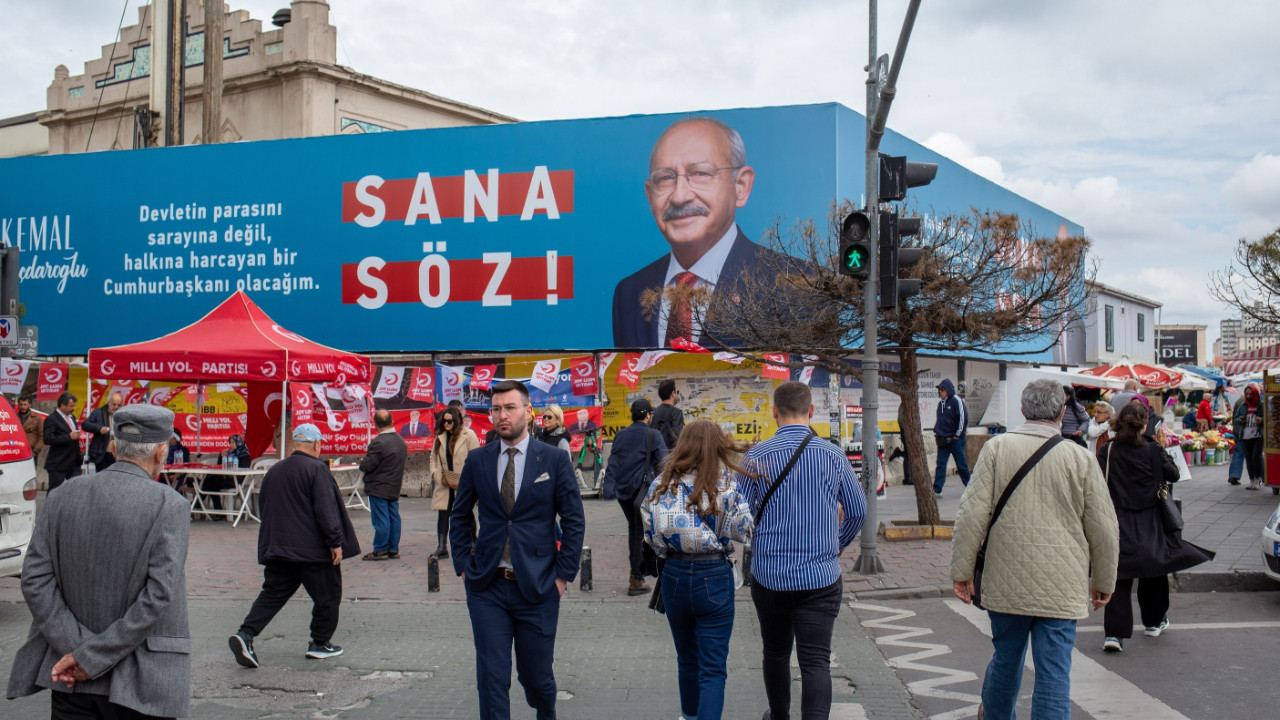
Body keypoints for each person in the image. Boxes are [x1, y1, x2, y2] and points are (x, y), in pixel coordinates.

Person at [6, 404, 192, 719]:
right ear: (162, 452)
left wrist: (78, 651)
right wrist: (91, 657)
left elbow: (35, 579)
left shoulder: (63, 494)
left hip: (70, 675)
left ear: (114, 445)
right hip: (142, 679)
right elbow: (158, 596)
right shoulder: (169, 504)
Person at [951, 379, 1119, 720]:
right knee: (1054, 673)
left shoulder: (997, 449)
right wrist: (1104, 579)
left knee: (1006, 658)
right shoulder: (1080, 458)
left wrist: (962, 572)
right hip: (1061, 585)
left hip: (1006, 580)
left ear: (1024, 410)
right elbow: (1103, 526)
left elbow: (972, 514)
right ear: (1060, 413)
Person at [449, 380, 585, 720]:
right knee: (492, 677)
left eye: (509, 408)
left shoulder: (553, 460)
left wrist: (563, 577)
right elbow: (460, 514)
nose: (501, 415)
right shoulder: (479, 459)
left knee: (536, 679)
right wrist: (464, 564)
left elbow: (574, 521)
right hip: (487, 586)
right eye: (495, 409)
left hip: (539, 586)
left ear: (529, 412)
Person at [737, 381, 866, 720]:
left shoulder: (756, 456)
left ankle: (778, 716)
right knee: (815, 660)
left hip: (771, 578)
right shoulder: (833, 454)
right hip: (820, 578)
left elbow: (739, 515)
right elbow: (857, 511)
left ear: (774, 411)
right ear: (811, 411)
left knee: (776, 653)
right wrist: (837, 544)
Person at [612, 116, 792, 348]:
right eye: (666, 178)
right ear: (650, 195)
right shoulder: (629, 294)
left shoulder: (792, 288)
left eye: (700, 174)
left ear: (740, 186)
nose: (680, 196)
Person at [641, 420, 754, 720]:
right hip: (714, 575)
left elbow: (650, 532)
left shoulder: (662, 483)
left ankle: (688, 716)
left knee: (687, 660)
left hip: (674, 575)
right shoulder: (725, 484)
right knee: (713, 666)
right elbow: (746, 530)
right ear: (716, 447)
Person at [228, 424, 361, 669]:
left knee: (272, 594)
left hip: (278, 547)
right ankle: (320, 643)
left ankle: (246, 634)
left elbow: (264, 506)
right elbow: (326, 509)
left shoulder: (275, 470)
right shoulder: (317, 470)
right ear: (317, 445)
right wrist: (335, 542)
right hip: (311, 549)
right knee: (328, 595)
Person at [1098, 403, 1214, 652]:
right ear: (1144, 423)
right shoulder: (1152, 450)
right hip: (1150, 519)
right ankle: (1153, 621)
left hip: (1117, 518)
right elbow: (1173, 475)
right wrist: (1163, 448)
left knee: (1118, 574)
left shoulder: (1108, 450)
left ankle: (1114, 634)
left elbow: (1098, 481)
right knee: (1154, 567)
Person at [602, 398, 668, 596]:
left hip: (624, 493)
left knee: (635, 529)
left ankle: (639, 573)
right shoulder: (653, 435)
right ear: (648, 415)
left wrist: (609, 489)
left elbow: (612, 462)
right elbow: (665, 462)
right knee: (640, 532)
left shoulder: (621, 434)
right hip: (642, 492)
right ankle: (636, 577)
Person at [429, 406, 480, 559]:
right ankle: (442, 546)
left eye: (450, 421)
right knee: (443, 514)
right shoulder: (440, 436)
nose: (446, 424)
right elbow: (433, 458)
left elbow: (475, 458)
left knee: (466, 513)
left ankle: (473, 543)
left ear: (456, 420)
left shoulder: (469, 435)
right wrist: (435, 474)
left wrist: (470, 479)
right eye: (444, 421)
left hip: (463, 482)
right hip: (444, 483)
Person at [360, 409, 408, 561]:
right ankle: (393, 549)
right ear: (391, 421)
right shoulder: (400, 440)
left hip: (378, 485)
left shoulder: (378, 442)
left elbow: (368, 465)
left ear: (376, 424)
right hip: (394, 484)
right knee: (393, 517)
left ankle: (380, 549)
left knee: (381, 519)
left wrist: (362, 463)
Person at [933, 378, 970, 497]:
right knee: (941, 464)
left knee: (961, 464)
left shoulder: (956, 401)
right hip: (943, 439)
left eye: (942, 390)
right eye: (939, 390)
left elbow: (963, 419)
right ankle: (937, 489)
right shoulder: (940, 404)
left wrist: (957, 434)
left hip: (955, 439)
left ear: (948, 390)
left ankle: (970, 487)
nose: (940, 392)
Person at [42, 392, 83, 492]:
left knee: (74, 491)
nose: (73, 408)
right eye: (71, 406)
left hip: (73, 463)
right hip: (59, 463)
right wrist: (68, 437)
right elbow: (48, 439)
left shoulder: (72, 417)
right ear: (62, 405)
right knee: (55, 492)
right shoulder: (52, 419)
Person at [1233, 384, 1264, 490]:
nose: (1249, 396)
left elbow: (1267, 418)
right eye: (1247, 394)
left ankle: (1258, 479)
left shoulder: (1261, 405)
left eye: (1251, 394)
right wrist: (1240, 420)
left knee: (1256, 457)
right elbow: (1236, 418)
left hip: (1258, 435)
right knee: (1249, 459)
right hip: (1246, 436)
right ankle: (1252, 479)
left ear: (1255, 394)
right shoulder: (1243, 405)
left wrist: (1261, 420)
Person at [82, 391, 123, 471]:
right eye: (114, 404)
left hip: (118, 454)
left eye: (119, 405)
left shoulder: (124, 415)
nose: (116, 407)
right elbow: (85, 425)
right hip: (102, 454)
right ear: (108, 403)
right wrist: (99, 429)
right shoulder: (98, 412)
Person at [652, 378, 686, 450]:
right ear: (673, 394)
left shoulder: (653, 413)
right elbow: (679, 438)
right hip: (670, 456)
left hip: (656, 455)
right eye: (677, 392)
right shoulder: (676, 413)